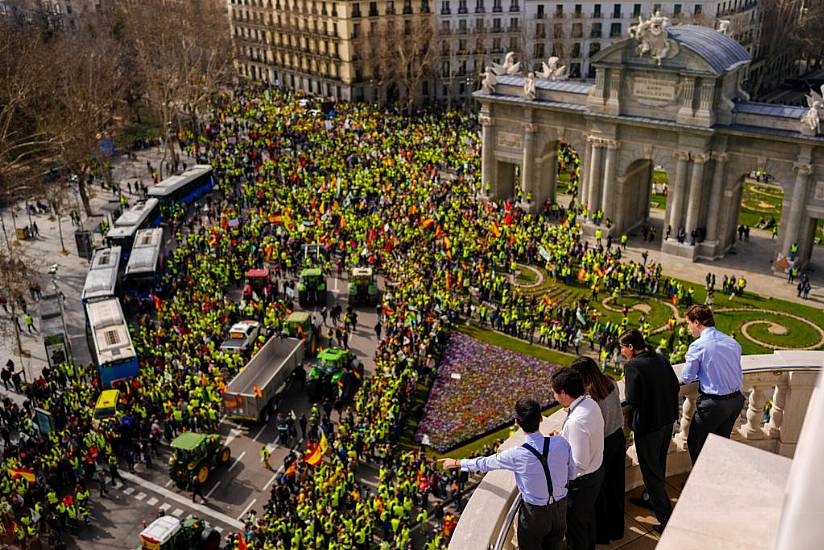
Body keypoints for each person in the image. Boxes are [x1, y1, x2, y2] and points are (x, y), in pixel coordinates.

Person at [439, 398, 573, 550]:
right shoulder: (561, 442)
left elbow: (484, 463)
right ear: (541, 418)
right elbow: (570, 470)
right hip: (560, 506)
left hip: (535, 514)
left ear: (517, 422)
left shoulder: (516, 454)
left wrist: (456, 463)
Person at [620, 329, 680, 532]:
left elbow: (632, 399)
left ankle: (666, 520)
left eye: (623, 348)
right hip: (667, 421)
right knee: (659, 465)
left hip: (648, 427)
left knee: (651, 474)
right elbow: (674, 385)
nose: (621, 352)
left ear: (630, 347)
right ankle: (651, 498)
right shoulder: (661, 358)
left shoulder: (633, 366)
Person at [569, 357, 625, 544]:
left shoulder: (590, 398)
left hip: (604, 444)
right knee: (616, 487)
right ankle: (616, 530)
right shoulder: (610, 382)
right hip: (618, 436)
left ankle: (602, 534)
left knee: (599, 493)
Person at [681, 305, 744, 464]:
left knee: (695, 442)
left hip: (714, 405)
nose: (688, 328)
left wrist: (690, 358)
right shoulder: (732, 342)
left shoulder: (698, 346)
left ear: (697, 323)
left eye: (689, 323)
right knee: (719, 445)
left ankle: (701, 482)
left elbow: (687, 377)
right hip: (736, 401)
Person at [550, 368, 604, 550]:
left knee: (576, 529)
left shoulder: (575, 422)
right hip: (596, 472)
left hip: (581, 482)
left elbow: (580, 463)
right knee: (587, 520)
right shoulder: (590, 403)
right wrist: (563, 438)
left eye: (555, 392)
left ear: (564, 393)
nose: (554, 396)